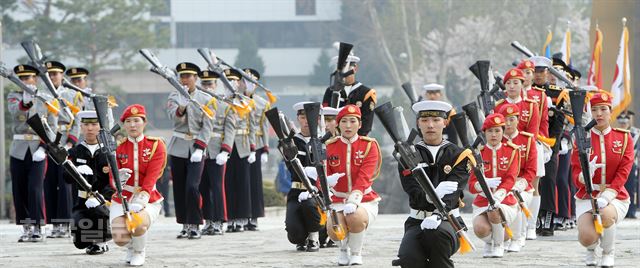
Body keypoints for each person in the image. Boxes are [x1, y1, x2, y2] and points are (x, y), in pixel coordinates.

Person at [393, 100, 471, 268]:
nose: (430, 125)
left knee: (437, 239)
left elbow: (454, 192)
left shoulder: (459, 155)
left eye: (436, 120)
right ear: (418, 123)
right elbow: (413, 191)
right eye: (425, 120)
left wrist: (437, 214)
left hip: (449, 221)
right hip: (416, 220)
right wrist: (431, 195)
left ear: (445, 122)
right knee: (408, 259)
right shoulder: (407, 155)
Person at [571, 93, 633, 267]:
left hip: (615, 196)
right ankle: (591, 250)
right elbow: (575, 174)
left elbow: (624, 171)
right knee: (586, 238)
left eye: (603, 109)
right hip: (587, 195)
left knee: (605, 215)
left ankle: (608, 253)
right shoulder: (582, 140)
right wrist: (586, 175)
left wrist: (607, 196)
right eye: (594, 110)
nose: (599, 114)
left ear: (610, 112)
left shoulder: (624, 137)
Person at [325, 104, 382, 265]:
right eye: (344, 121)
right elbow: (322, 175)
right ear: (338, 124)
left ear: (360, 124)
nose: (348, 126)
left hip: (363, 199)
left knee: (354, 216)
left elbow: (365, 176)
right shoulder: (330, 146)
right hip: (338, 199)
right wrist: (324, 183)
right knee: (334, 229)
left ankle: (356, 253)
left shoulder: (369, 145)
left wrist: (354, 199)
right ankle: (343, 250)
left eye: (352, 121)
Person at [110, 104, 167, 266]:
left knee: (138, 223)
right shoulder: (118, 147)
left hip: (148, 198)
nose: (132, 125)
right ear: (124, 124)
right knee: (120, 238)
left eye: (136, 120)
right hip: (123, 197)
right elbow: (112, 178)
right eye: (128, 121)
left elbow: (152, 176)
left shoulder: (156, 145)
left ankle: (139, 251)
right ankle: (132, 246)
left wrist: (142, 198)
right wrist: (117, 180)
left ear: (144, 122)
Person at [166, 62, 215, 239]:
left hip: (197, 148)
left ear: (196, 78)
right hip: (178, 147)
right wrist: (181, 107)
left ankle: (195, 223)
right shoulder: (174, 96)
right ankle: (185, 224)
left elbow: (208, 126)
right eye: (182, 76)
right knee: (179, 187)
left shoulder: (206, 99)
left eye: (188, 76)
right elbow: (173, 118)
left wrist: (200, 147)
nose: (185, 80)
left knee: (192, 187)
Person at [7, 64, 56, 242]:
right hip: (18, 148)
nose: (25, 81)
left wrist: (45, 147)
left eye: (28, 78)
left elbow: (53, 125)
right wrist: (26, 101)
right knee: (19, 188)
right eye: (22, 78)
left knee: (35, 188)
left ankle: (37, 226)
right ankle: (26, 226)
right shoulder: (14, 96)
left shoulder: (46, 98)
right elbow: (14, 112)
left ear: (35, 79)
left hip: (38, 148)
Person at [284, 102, 333, 252]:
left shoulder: (323, 140)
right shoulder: (293, 141)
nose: (306, 121)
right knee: (294, 234)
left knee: (311, 205)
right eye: (303, 117)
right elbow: (290, 167)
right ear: (298, 119)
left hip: (318, 191)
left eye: (310, 117)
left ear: (319, 120)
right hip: (297, 190)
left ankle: (315, 236)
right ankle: (304, 236)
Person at [469, 113, 520, 258]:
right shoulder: (477, 154)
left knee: (494, 209)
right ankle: (492, 240)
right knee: (480, 228)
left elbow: (510, 179)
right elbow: (472, 186)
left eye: (497, 130)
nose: (493, 135)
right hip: (482, 202)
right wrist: (483, 185)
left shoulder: (512, 151)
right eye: (490, 131)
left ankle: (498, 245)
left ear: (503, 132)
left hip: (505, 202)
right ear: (484, 133)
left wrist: (498, 195)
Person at [65, 110, 113, 254]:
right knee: (80, 240)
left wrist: (102, 198)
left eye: (94, 124)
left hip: (105, 201)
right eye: (86, 125)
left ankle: (102, 240)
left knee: (99, 211)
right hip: (82, 201)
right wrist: (76, 171)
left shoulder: (109, 152)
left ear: (101, 126)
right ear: (81, 127)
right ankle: (92, 237)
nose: (90, 128)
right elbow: (65, 179)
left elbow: (114, 180)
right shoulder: (75, 152)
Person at [44, 60, 82, 238]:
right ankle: (54, 224)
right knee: (50, 183)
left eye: (55, 74)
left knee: (65, 184)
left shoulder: (72, 95)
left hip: (66, 142)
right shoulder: (43, 95)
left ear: (61, 75)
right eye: (49, 74)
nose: (52, 77)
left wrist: (70, 143)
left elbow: (78, 119)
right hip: (50, 142)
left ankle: (66, 223)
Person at [198, 69, 236, 235]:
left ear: (216, 84)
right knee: (203, 187)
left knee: (217, 187)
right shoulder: (197, 102)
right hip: (199, 150)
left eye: (211, 83)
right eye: (205, 83)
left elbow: (230, 130)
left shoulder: (225, 105)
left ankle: (219, 220)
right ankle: (208, 220)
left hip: (217, 150)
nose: (208, 86)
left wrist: (225, 150)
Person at [499, 103, 537, 252]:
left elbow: (531, 170)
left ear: (518, 119)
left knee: (516, 198)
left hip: (522, 185)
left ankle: (518, 236)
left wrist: (520, 184)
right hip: (502, 185)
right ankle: (499, 237)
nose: (508, 124)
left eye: (512, 119)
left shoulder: (527, 140)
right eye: (505, 120)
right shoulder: (496, 139)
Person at [224, 68, 256, 232]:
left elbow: (252, 126)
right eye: (227, 80)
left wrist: (253, 149)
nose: (231, 84)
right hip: (226, 145)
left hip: (242, 144)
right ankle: (230, 218)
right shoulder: (221, 101)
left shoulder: (246, 101)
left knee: (243, 183)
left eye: (233, 80)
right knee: (228, 182)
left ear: (238, 83)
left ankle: (244, 216)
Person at [321, 54, 377, 136]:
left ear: (355, 68)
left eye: (347, 67)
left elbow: (366, 122)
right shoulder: (330, 91)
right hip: (333, 137)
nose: (344, 71)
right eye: (341, 68)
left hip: (357, 139)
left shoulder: (366, 93)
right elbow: (325, 115)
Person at [244, 68, 271, 231]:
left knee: (254, 182)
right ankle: (240, 215)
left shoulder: (262, 103)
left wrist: (266, 149)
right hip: (239, 143)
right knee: (241, 182)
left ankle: (254, 216)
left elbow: (265, 126)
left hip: (257, 144)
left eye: (251, 82)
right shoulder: (235, 100)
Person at [618, 111, 639, 219]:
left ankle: (631, 211)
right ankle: (622, 211)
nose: (623, 125)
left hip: (630, 165)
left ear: (628, 123)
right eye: (621, 123)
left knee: (631, 189)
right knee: (620, 188)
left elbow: (635, 151)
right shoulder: (617, 134)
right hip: (618, 165)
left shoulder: (635, 134)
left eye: (624, 123)